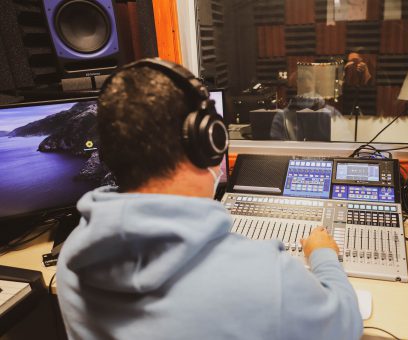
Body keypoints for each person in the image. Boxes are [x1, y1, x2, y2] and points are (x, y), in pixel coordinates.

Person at [56, 58, 363, 340]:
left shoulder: (73, 257)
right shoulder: (265, 277)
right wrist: (324, 256)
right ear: (208, 141)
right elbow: (345, 325)